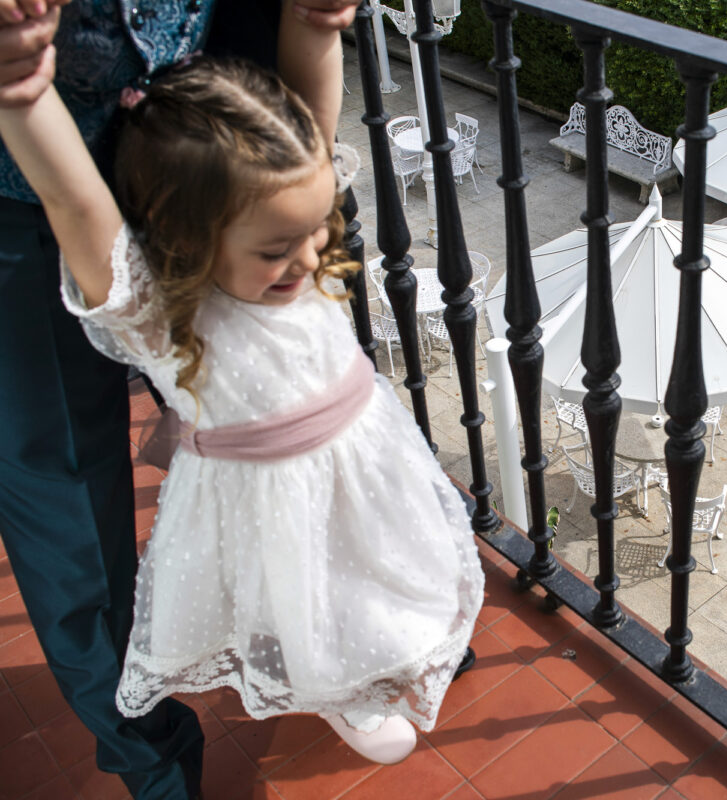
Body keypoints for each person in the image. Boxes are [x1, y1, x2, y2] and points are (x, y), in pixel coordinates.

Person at [0, 4, 482, 771]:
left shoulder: (289, 226)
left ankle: (385, 660)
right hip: (272, 504)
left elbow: (311, 120)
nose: (311, 256)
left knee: (387, 570)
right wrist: (22, 91)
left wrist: (317, 23)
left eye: (316, 228)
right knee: (309, 597)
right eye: (277, 249)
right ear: (187, 242)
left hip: (367, 467)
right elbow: (74, 204)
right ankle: (337, 682)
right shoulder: (166, 319)